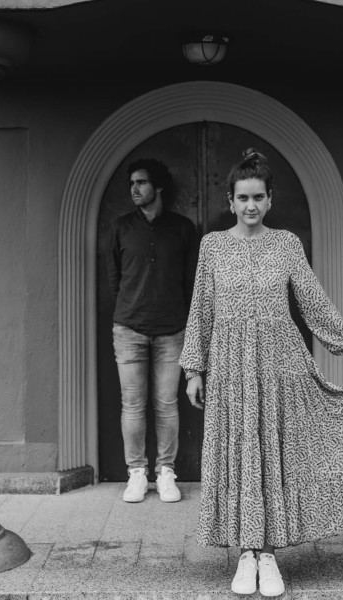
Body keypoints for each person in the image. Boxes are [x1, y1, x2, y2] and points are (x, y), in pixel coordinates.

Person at [180, 149, 343, 597]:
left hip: (281, 365)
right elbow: (201, 308)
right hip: (231, 368)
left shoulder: (287, 244)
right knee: (239, 457)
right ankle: (244, 553)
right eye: (242, 198)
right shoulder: (212, 246)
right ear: (230, 200)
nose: (250, 205)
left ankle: (269, 554)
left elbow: (312, 301)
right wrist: (194, 368)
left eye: (258, 197)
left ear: (270, 200)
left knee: (275, 456)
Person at [107, 158, 199, 503]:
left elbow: (192, 281)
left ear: (157, 187)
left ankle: (165, 472)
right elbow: (114, 278)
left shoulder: (182, 228)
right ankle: (136, 473)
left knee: (165, 403)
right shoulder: (120, 228)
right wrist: (130, 308)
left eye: (141, 182)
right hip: (128, 329)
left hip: (172, 330)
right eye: (132, 183)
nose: (134, 189)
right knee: (131, 405)